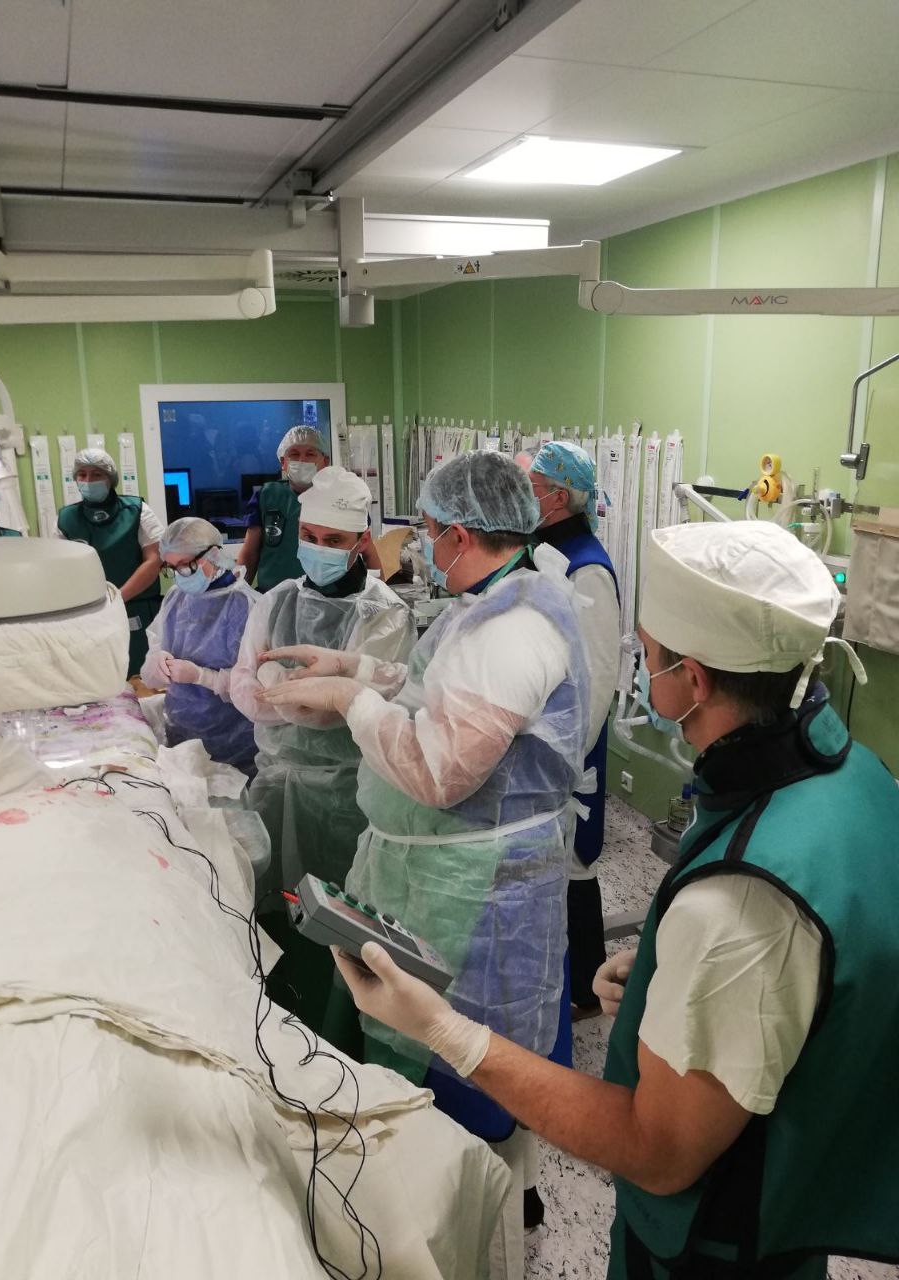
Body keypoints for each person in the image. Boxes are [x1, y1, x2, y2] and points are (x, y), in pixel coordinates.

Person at [331, 519, 899, 1280]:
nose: (639, 672)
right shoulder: (859, 776)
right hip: (794, 1167)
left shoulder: (738, 904)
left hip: (715, 1246)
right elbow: (827, 961)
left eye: (648, 657)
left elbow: (656, 1152)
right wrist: (675, 974)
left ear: (692, 681)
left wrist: (442, 1028)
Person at [255, 452, 590, 1153]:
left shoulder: (513, 630)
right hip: (439, 869)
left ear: (459, 536)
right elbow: (436, 687)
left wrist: (349, 699)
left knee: (465, 1068)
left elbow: (440, 772)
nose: (421, 548)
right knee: (419, 1044)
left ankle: (470, 1178)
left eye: (428, 532)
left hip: (475, 889)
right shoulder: (493, 600)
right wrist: (355, 667)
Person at [229, 466, 415, 1032]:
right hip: (275, 782)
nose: (317, 549)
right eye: (309, 536)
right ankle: (281, 1018)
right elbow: (243, 685)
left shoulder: (384, 612)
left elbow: (350, 705)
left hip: (344, 795)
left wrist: (286, 692)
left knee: (338, 921)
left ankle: (335, 1031)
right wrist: (291, 696)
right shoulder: (277, 600)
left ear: (361, 540)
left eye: (333, 540)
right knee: (274, 908)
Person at [523, 441, 620, 1018]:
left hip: (570, 747)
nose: (525, 494)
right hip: (542, 732)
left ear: (558, 497)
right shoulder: (547, 548)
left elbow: (599, 676)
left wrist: (564, 755)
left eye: (532, 486)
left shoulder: (587, 567)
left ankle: (586, 986)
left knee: (575, 863)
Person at [140, 517, 259, 774]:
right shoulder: (176, 598)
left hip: (234, 745)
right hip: (180, 734)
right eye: (171, 567)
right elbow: (150, 666)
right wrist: (158, 662)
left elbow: (256, 689)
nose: (179, 575)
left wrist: (201, 676)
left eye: (186, 565)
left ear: (214, 555)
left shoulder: (246, 607)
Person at [55, 448, 163, 677]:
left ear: (111, 478)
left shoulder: (137, 511)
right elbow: (60, 569)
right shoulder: (66, 519)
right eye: (82, 474)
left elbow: (154, 560)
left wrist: (118, 599)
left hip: (136, 609)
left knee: (141, 676)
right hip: (88, 612)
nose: (88, 481)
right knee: (98, 675)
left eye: (97, 474)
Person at [236, 426, 329, 590]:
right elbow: (250, 553)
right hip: (271, 596)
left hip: (325, 599)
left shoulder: (340, 498)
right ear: (283, 462)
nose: (302, 460)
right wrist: (238, 593)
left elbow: (365, 550)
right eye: (294, 454)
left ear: (325, 462)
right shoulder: (266, 496)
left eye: (310, 454)